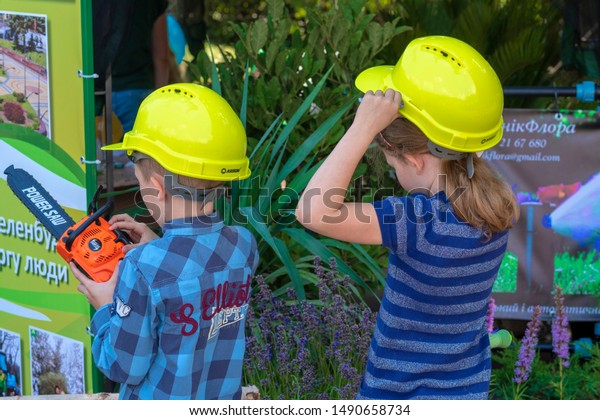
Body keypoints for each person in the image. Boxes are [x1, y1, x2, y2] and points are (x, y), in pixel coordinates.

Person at [296, 36, 519, 399]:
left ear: (414, 159)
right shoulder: (496, 207)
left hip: (400, 396)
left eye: (391, 161)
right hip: (465, 392)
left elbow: (312, 210)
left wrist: (362, 128)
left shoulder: (417, 223)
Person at [71, 83, 259, 400]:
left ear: (157, 188)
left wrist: (105, 308)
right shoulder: (243, 245)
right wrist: (157, 245)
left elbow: (122, 366)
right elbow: (195, 278)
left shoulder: (142, 267)